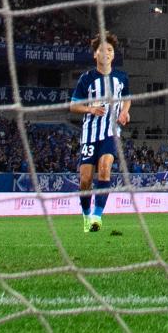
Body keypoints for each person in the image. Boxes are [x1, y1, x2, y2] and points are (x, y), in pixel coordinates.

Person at [69, 32, 130, 233]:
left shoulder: (121, 77)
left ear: (113, 55)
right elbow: (73, 106)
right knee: (85, 180)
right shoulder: (86, 79)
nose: (106, 53)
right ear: (95, 54)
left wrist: (125, 112)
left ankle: (97, 216)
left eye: (110, 50)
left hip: (111, 132)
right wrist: (90, 109)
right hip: (89, 133)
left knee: (105, 168)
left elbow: (127, 98)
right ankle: (86, 215)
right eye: (102, 50)